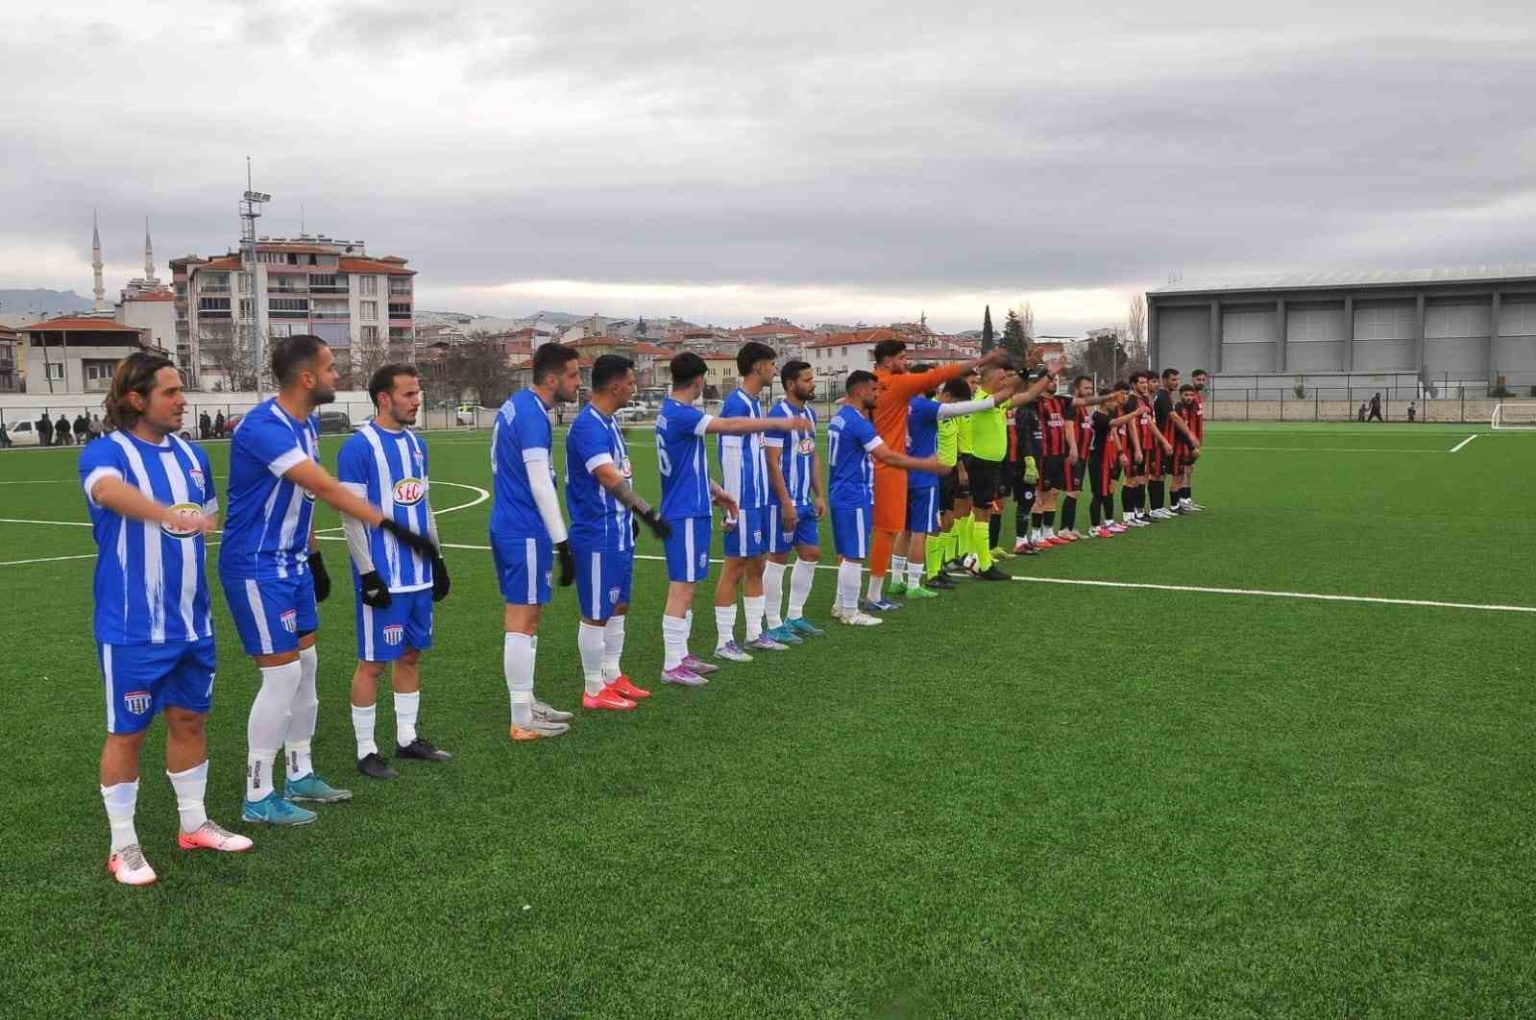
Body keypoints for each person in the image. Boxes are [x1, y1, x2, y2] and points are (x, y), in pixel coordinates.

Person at [221, 334, 437, 825]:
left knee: (307, 665)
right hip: (257, 565)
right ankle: (257, 795)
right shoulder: (265, 427)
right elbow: (323, 486)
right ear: (306, 377)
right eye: (330, 367)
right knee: (282, 676)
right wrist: (394, 526)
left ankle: (300, 773)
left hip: (294, 563)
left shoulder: (308, 425)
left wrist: (315, 558)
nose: (337, 374)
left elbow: (303, 501)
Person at [80, 352, 251, 886]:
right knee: (127, 732)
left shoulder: (192, 454)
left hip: (191, 623)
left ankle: (193, 824)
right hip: (133, 627)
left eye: (182, 390)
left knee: (190, 721)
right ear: (137, 399)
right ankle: (123, 846)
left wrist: (193, 519)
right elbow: (106, 491)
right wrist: (164, 513)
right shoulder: (107, 452)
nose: (182, 401)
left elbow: (208, 516)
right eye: (171, 392)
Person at [654, 352, 807, 685]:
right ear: (699, 380)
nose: (774, 369)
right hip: (691, 509)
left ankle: (689, 653)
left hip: (705, 504)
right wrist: (779, 423)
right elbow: (729, 430)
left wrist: (717, 492)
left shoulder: (674, 412)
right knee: (694, 583)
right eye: (771, 364)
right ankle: (696, 654)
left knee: (740, 570)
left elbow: (690, 464)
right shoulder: (690, 412)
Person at [339, 363, 454, 781]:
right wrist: (368, 573)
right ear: (384, 399)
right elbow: (351, 517)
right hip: (384, 574)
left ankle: (407, 738)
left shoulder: (417, 445)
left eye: (417, 393)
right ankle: (366, 750)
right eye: (409, 394)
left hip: (418, 576)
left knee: (411, 655)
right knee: (372, 663)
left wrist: (437, 558)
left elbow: (424, 506)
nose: (417, 400)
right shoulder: (358, 448)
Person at [565, 354, 670, 712]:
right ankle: (593, 688)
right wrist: (647, 512)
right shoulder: (588, 426)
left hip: (619, 531)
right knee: (597, 611)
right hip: (597, 533)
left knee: (619, 605)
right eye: (631, 382)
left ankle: (612, 675)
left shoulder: (608, 423)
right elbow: (608, 477)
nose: (634, 388)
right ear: (614, 386)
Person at [867, 340, 1005, 610]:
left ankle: (896, 580)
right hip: (924, 475)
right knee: (921, 530)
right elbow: (962, 408)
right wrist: (995, 394)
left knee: (903, 530)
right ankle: (915, 583)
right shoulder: (924, 407)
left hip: (900, 473)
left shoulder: (895, 402)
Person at [491, 343, 581, 741]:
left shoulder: (522, 406)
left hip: (519, 526)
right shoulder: (531, 415)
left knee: (530, 618)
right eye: (573, 375)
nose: (578, 383)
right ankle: (520, 718)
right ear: (551, 378)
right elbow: (540, 482)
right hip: (523, 528)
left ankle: (526, 702)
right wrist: (563, 542)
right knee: (521, 620)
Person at [828, 371, 948, 624]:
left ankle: (841, 605)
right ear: (860, 391)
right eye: (874, 390)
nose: (877, 394)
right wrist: (925, 464)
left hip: (840, 490)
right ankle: (849, 611)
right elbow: (887, 455)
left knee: (849, 552)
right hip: (854, 492)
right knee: (854, 555)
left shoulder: (840, 417)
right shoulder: (858, 422)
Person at [906, 368, 1017, 592]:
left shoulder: (951, 411)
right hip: (936, 472)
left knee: (948, 519)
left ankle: (941, 566)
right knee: (936, 523)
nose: (973, 387)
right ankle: (932, 572)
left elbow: (956, 438)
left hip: (951, 470)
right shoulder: (933, 411)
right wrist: (959, 467)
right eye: (970, 382)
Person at [713, 342, 787, 660]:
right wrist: (732, 507)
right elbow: (729, 457)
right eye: (772, 364)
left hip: (757, 500)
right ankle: (724, 642)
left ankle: (755, 633)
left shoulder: (754, 403)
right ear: (758, 367)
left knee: (756, 564)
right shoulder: (737, 404)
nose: (775, 369)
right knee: (734, 567)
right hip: (742, 501)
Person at [762, 359, 827, 642]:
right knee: (778, 558)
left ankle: (795, 615)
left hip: (805, 500)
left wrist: (819, 494)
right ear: (791, 384)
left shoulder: (809, 414)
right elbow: (772, 463)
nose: (812, 384)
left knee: (811, 554)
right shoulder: (778, 415)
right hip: (782, 502)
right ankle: (773, 623)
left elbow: (812, 455)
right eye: (807, 380)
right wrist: (786, 502)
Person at [1154, 368, 1201, 515]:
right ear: (1164, 380)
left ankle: (1163, 507)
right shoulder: (1163, 396)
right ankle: (1157, 508)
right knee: (1157, 475)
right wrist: (1191, 436)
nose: (1176, 382)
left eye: (1177, 379)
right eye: (1173, 379)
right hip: (1163, 442)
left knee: (1164, 475)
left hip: (1167, 442)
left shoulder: (1166, 397)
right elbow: (1173, 417)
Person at [1186, 370, 1208, 511]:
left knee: (1190, 469)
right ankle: (1183, 500)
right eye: (1198, 379)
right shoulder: (1190, 397)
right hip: (1189, 441)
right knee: (1185, 470)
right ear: (1193, 379)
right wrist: (1191, 441)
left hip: (1196, 440)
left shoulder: (1199, 396)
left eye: (1203, 380)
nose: (1201, 382)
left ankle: (1187, 499)